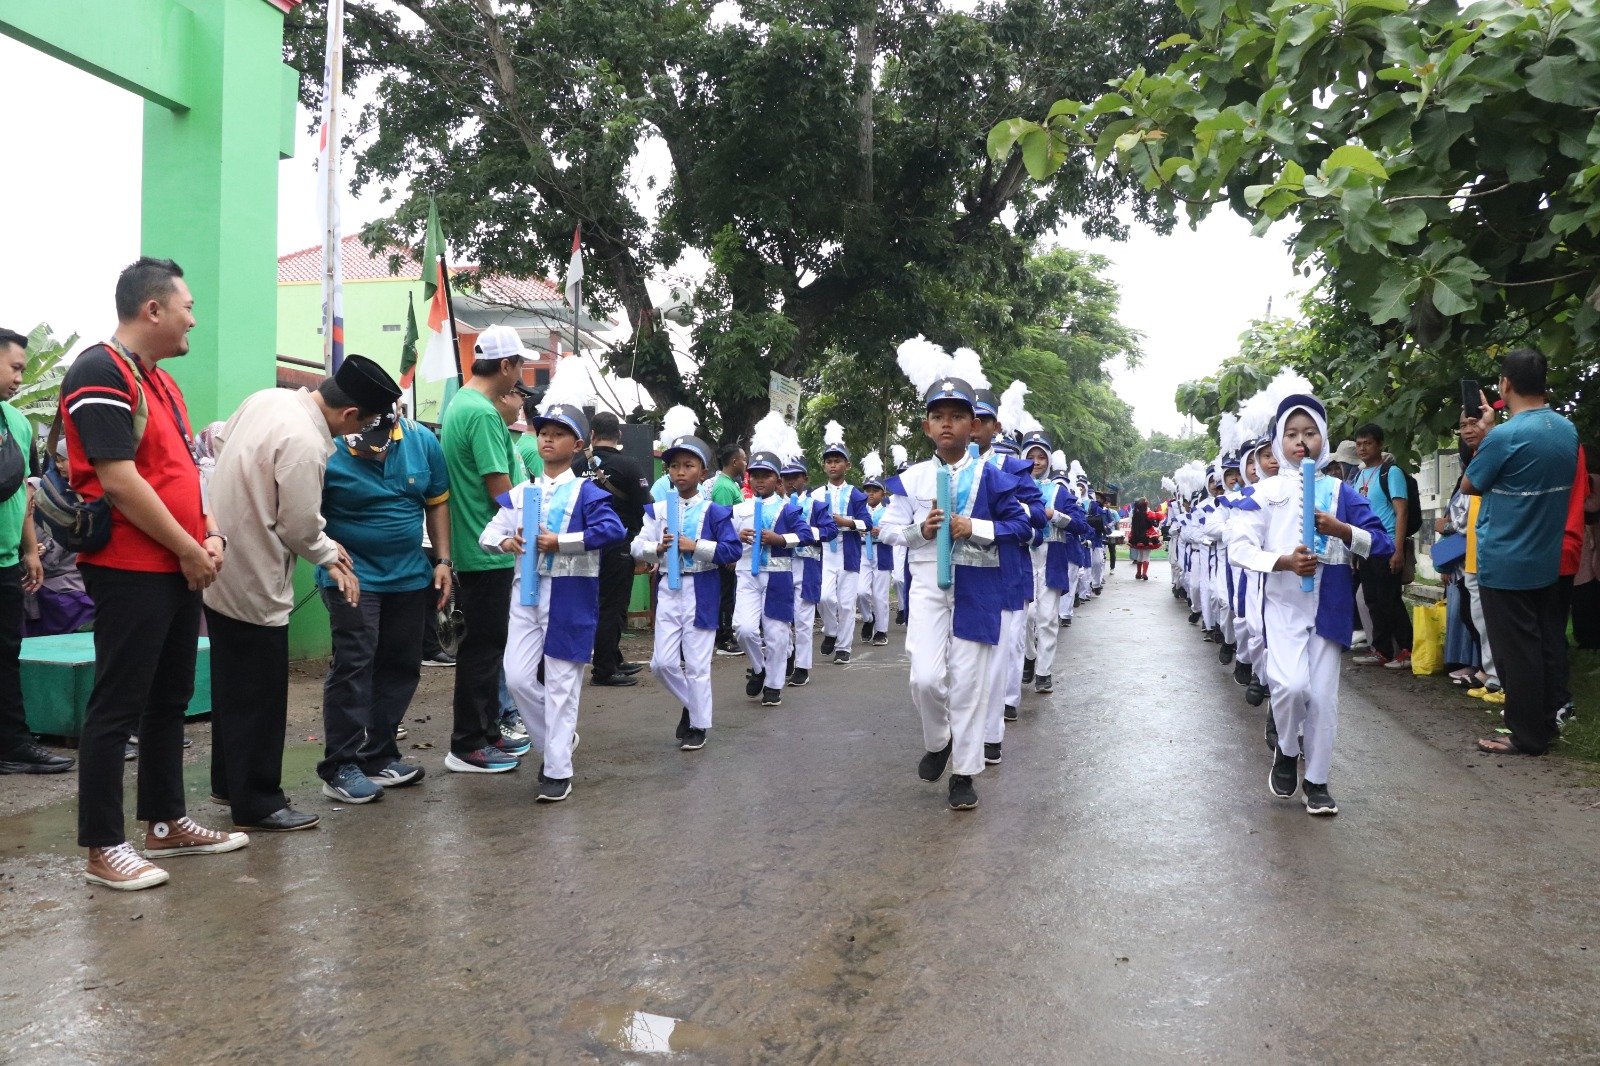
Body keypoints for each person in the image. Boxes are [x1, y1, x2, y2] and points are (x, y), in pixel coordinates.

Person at [62, 258, 243, 890]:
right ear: (153, 309)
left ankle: (164, 821)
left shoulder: (161, 382)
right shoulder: (99, 370)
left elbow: (187, 473)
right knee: (117, 704)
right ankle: (102, 844)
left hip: (176, 563)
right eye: (188, 306)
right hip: (129, 566)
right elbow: (117, 480)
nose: (195, 317)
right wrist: (189, 549)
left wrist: (211, 532)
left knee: (169, 697)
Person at [205, 355, 398, 831]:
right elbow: (299, 526)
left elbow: (219, 438)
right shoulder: (306, 443)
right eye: (365, 423)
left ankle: (229, 783)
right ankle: (259, 803)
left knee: (232, 687)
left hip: (220, 560)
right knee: (262, 694)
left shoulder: (266, 399)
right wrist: (332, 554)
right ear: (350, 415)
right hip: (255, 574)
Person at [1230, 384, 1391, 815]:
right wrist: (1282, 561)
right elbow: (1239, 548)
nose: (1302, 443)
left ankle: (1317, 780)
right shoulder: (1262, 493)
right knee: (1290, 686)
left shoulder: (1342, 493)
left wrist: (1340, 529)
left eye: (1310, 433)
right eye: (1292, 434)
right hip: (1282, 606)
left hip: (1331, 606)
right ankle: (1286, 748)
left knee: (1321, 697)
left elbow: (1383, 542)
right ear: (1279, 442)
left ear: (1322, 438)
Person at [878, 363, 1031, 812]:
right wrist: (917, 532)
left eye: (958, 415)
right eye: (939, 415)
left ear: (974, 425)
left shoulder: (994, 476)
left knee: (969, 683)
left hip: (979, 587)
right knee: (925, 676)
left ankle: (964, 773)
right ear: (927, 426)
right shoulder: (910, 480)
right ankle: (939, 740)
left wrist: (975, 526)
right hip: (927, 585)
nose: (948, 423)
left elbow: (1022, 526)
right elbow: (885, 529)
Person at [480, 393, 625, 803]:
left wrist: (561, 542)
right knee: (519, 677)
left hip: (570, 597)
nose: (548, 440)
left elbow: (612, 531)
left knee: (562, 684)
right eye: (543, 432)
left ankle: (557, 769)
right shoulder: (522, 492)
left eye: (559, 435)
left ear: (578, 445)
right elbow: (488, 535)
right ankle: (560, 741)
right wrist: (505, 541)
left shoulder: (588, 492)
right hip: (523, 595)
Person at [313, 400, 451, 804]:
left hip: (409, 575)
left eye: (378, 444)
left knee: (402, 664)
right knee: (355, 661)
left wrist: (442, 559)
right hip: (352, 575)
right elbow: (306, 512)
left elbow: (437, 500)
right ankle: (339, 764)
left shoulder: (422, 441)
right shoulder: (326, 447)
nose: (370, 452)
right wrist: (326, 553)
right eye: (361, 445)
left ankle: (379, 754)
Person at [1463, 350, 1579, 757]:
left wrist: (1486, 432)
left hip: (1504, 561)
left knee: (1518, 654)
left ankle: (1525, 736)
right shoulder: (1566, 430)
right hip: (1546, 558)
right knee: (1546, 644)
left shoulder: (1505, 436)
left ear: (1505, 385)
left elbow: (1469, 486)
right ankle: (1545, 726)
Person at [440, 325, 526, 773]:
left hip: (481, 546)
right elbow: (501, 491)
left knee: (489, 646)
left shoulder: (463, 403)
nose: (520, 377)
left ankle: (487, 732)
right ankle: (468, 742)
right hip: (489, 548)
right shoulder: (482, 414)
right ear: (506, 365)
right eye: (520, 366)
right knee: (484, 648)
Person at [631, 433, 741, 750]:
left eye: (688, 465)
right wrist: (656, 547)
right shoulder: (657, 510)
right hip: (667, 588)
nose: (680, 472)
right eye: (675, 466)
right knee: (661, 664)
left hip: (702, 589)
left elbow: (732, 551)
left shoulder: (715, 512)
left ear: (702, 473)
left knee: (696, 665)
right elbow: (637, 546)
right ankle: (694, 707)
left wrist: (697, 547)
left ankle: (698, 724)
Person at [0, 327, 67, 776]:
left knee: (7, 655)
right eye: (15, 367)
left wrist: (30, 551)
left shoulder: (18, 423)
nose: (20, 378)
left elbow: (25, 493)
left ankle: (14, 744)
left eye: (24, 368)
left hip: (6, 562)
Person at [732, 418, 814, 707]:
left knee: (777, 634)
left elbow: (805, 537)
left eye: (766, 475)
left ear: (778, 480)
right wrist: (737, 537)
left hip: (778, 576)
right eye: (755, 475)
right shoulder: (738, 509)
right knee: (743, 629)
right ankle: (758, 667)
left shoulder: (789, 509)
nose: (759, 480)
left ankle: (774, 684)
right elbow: (727, 542)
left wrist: (778, 539)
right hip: (746, 575)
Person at [588, 411, 651, 687]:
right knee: (612, 606)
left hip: (583, 544)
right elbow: (645, 506)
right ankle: (603, 669)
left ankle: (612, 657)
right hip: (618, 543)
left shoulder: (578, 464)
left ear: (591, 435)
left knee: (599, 604)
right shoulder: (629, 465)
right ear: (619, 436)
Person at [1350, 424, 1413, 668]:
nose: (1362, 448)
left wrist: (1398, 550)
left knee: (1390, 600)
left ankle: (1407, 651)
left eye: (1368, 443)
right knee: (1372, 599)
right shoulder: (1359, 476)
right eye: (1359, 444)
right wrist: (1356, 551)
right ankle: (1382, 650)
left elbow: (1401, 511)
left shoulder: (1391, 472)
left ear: (1380, 445)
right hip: (1365, 546)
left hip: (1386, 544)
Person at [813, 426, 871, 665]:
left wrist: (846, 522)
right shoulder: (815, 494)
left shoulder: (856, 495)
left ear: (847, 465)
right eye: (829, 461)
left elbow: (866, 523)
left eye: (837, 461)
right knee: (824, 597)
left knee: (847, 603)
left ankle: (844, 647)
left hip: (849, 553)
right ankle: (831, 630)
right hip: (825, 553)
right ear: (824, 466)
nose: (833, 465)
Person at [781, 456, 836, 687]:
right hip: (780, 568)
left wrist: (805, 532)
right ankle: (788, 653)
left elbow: (830, 530)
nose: (791, 482)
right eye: (786, 477)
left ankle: (803, 666)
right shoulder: (776, 505)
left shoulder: (815, 505)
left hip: (807, 567)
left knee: (803, 620)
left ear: (806, 478)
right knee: (782, 619)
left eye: (796, 477)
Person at [710, 444, 747, 656]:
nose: (745, 463)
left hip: (733, 547)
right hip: (727, 550)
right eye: (743, 459)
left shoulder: (731, 484)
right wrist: (729, 551)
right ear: (734, 462)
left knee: (728, 593)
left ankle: (726, 634)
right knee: (725, 595)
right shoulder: (724, 487)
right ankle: (724, 639)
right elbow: (725, 521)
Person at [1128, 497, 1161, 580]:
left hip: (1137, 536)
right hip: (1148, 536)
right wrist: (1158, 518)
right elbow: (1155, 525)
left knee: (1140, 554)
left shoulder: (1134, 512)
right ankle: (1144, 573)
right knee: (1146, 555)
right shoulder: (1149, 513)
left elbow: (1132, 524)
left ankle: (1138, 573)